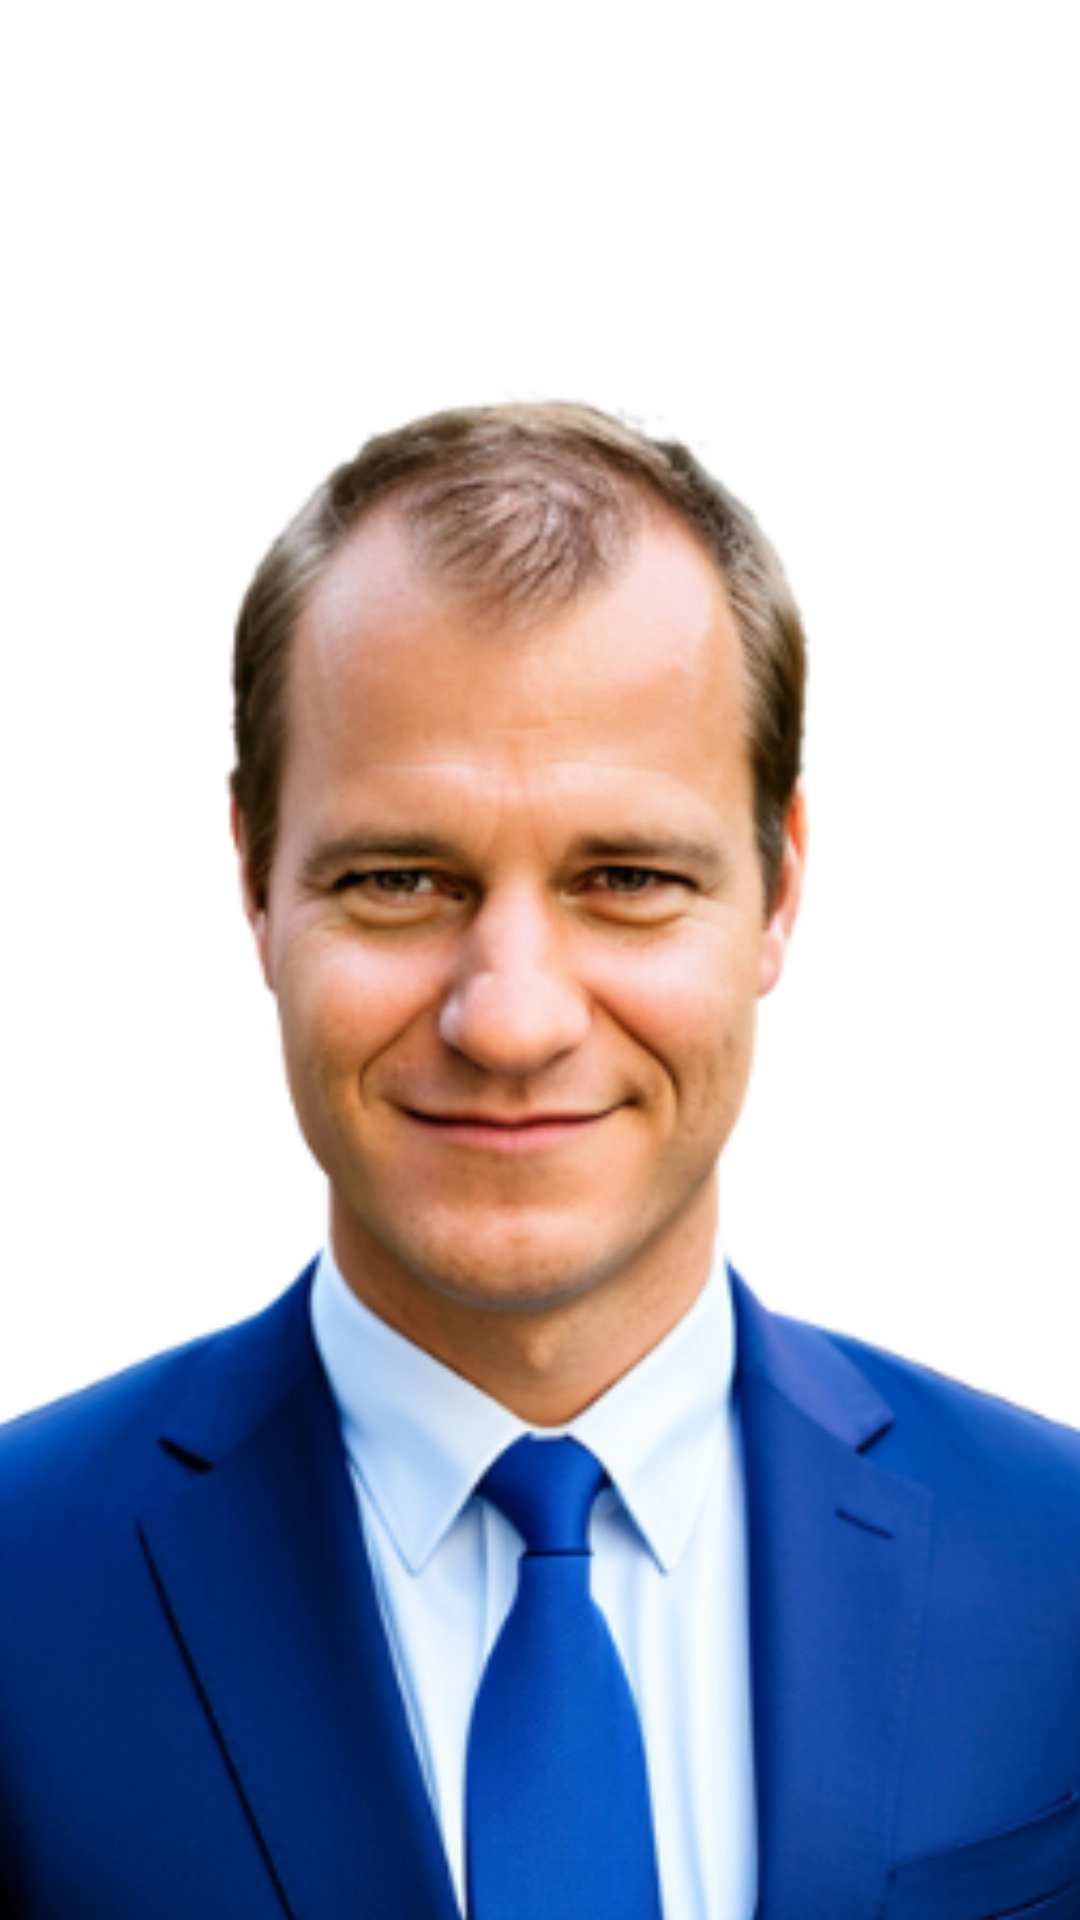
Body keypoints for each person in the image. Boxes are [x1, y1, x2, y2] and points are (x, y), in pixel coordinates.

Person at [1, 395, 1076, 1920]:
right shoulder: (12, 1585)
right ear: (250, 884)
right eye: (400, 879)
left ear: (786, 887)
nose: (508, 1020)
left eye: (624, 877)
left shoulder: (1061, 1570)